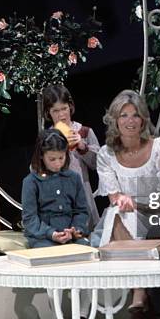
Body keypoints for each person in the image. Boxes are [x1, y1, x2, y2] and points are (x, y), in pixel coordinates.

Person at [94, 89, 160, 313]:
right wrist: (126, 202)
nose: (130, 121)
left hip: (158, 212)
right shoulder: (106, 154)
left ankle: (139, 292)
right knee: (119, 213)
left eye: (135, 115)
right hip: (124, 214)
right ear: (115, 120)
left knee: (125, 213)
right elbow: (115, 196)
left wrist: (138, 203)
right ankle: (139, 289)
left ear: (144, 119)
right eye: (124, 115)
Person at [42, 84, 100, 230]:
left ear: (70, 107)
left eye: (64, 108)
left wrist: (82, 147)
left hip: (83, 192)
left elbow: (98, 164)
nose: (61, 115)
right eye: (55, 111)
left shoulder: (85, 132)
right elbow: (36, 169)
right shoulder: (45, 138)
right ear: (48, 113)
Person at [22, 128, 90, 248]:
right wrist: (51, 233)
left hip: (71, 236)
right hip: (42, 237)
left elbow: (81, 211)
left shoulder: (74, 178)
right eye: (52, 159)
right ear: (42, 156)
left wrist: (76, 230)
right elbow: (30, 218)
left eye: (61, 158)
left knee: (87, 250)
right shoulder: (31, 182)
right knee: (50, 254)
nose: (57, 163)